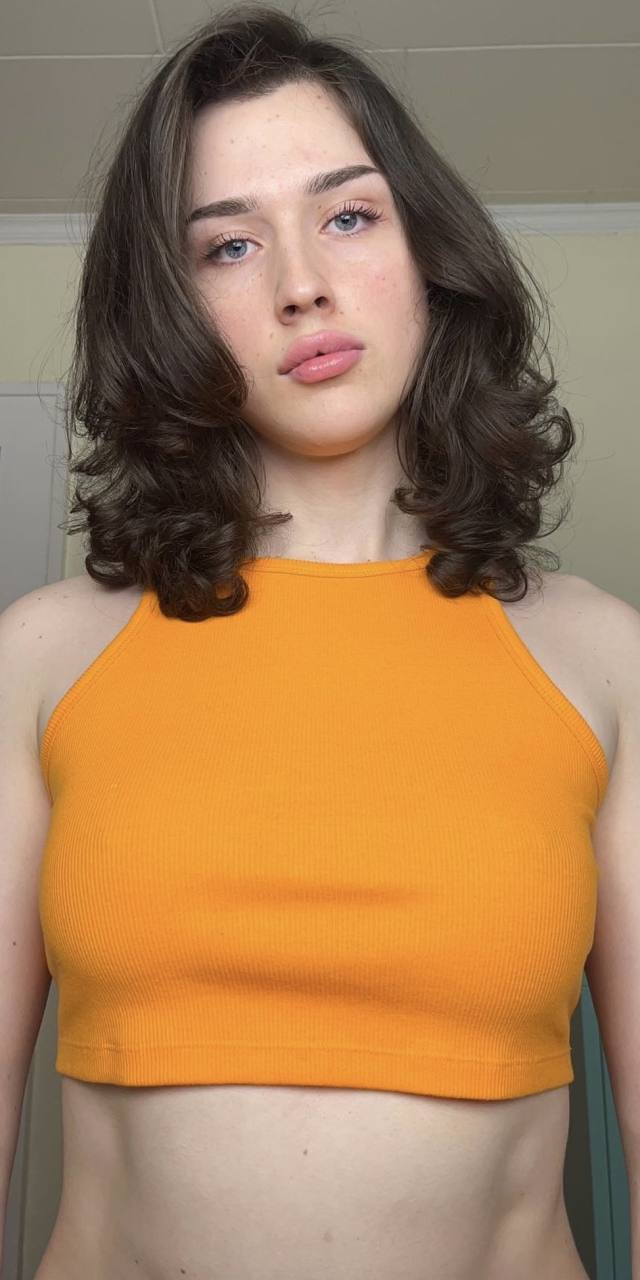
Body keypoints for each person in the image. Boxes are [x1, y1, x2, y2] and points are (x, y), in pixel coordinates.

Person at [2, 5, 635, 1279]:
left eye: (348, 216)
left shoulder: (603, 658)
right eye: (228, 244)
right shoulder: (40, 657)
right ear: (170, 307)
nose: (301, 282)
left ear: (427, 252)